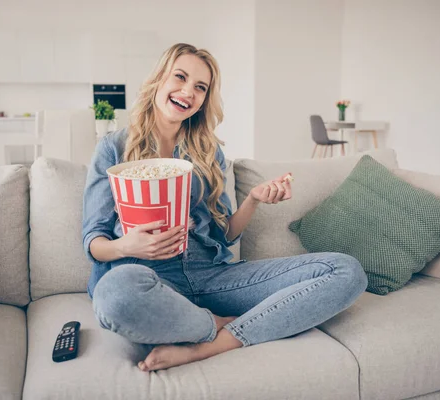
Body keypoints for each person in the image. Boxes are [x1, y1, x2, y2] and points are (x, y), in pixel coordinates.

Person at [82, 43, 367, 372]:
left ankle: (216, 341)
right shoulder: (113, 148)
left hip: (213, 277)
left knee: (346, 271)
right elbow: (94, 240)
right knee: (114, 295)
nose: (188, 91)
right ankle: (212, 323)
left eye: (200, 87)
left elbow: (225, 234)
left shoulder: (206, 152)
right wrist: (127, 245)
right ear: (159, 79)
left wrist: (253, 200)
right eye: (180, 77)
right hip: (150, 280)